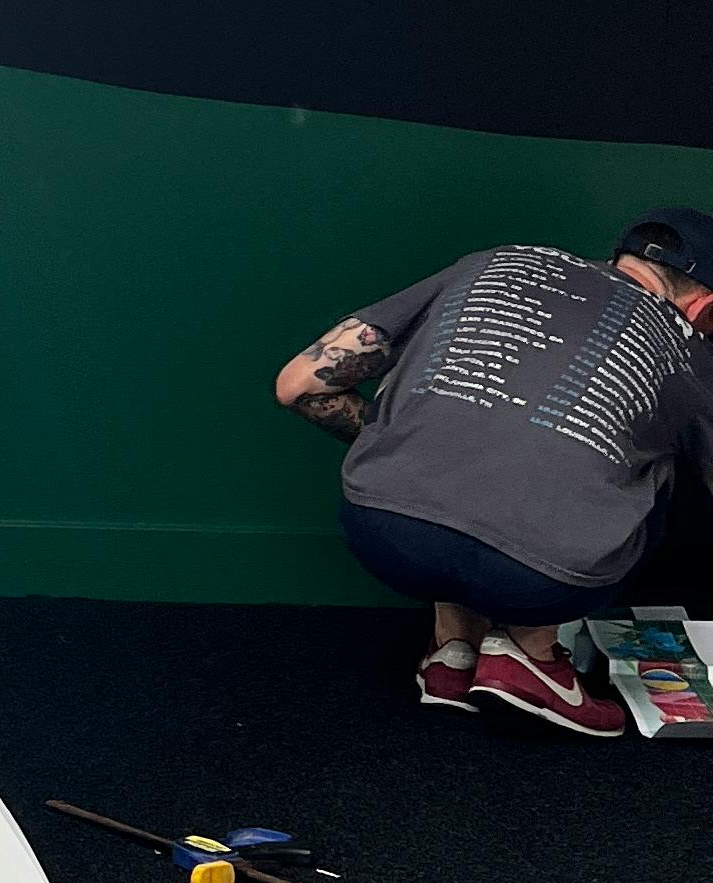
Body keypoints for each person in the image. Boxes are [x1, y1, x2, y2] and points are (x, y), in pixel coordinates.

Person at [272, 211, 713, 736]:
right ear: (704, 308)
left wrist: (400, 437)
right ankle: (530, 655)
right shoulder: (688, 348)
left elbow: (299, 384)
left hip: (381, 531)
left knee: (465, 441)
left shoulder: (491, 263)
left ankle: (453, 650)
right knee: (652, 469)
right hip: (543, 578)